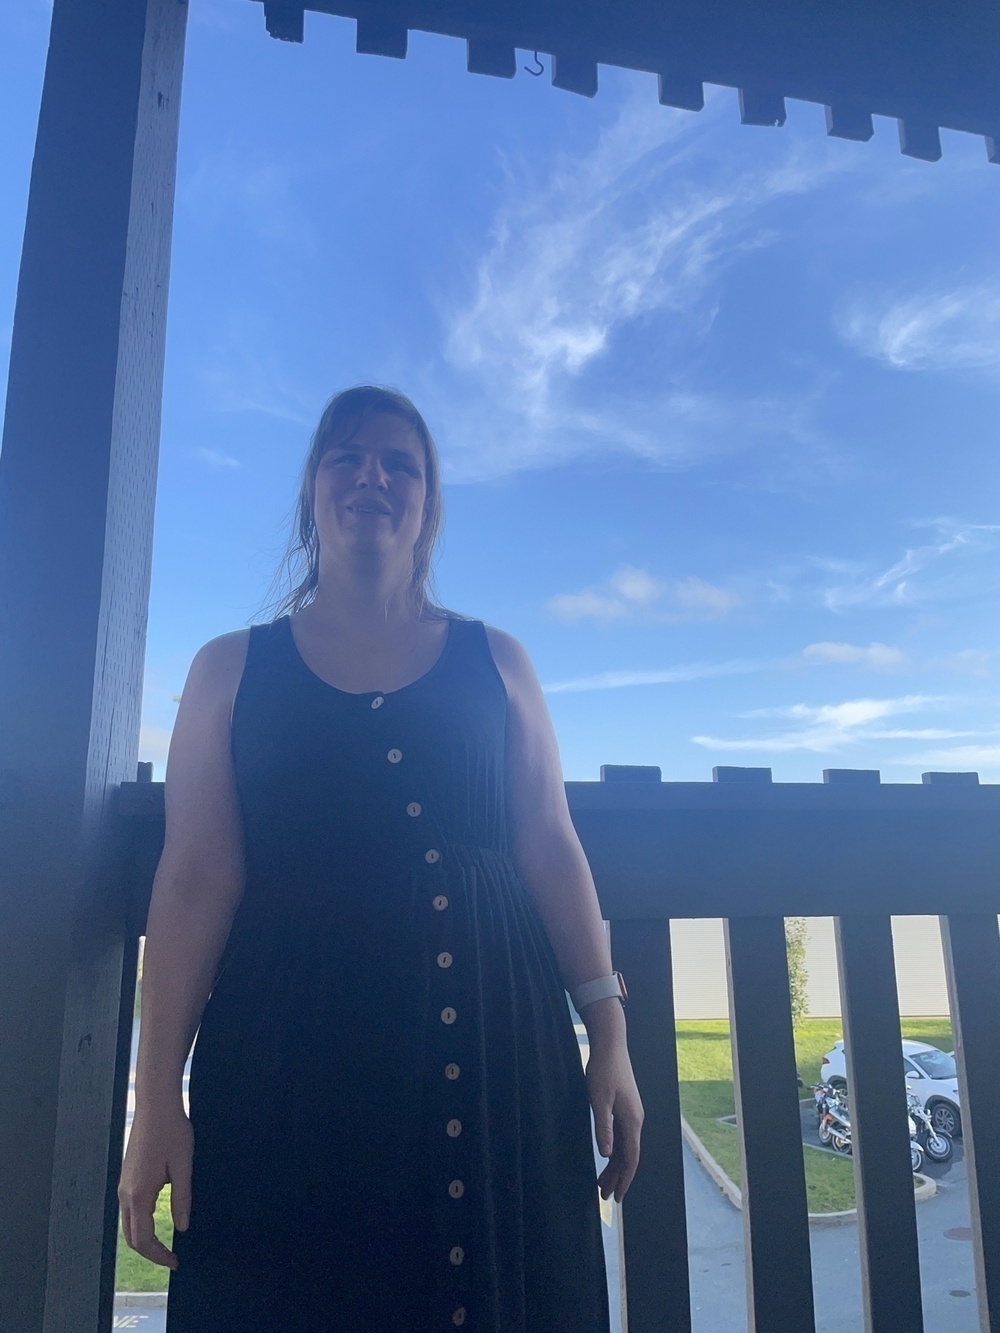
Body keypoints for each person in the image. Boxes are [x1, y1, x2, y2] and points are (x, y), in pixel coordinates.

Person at [118, 385, 643, 1332]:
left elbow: (551, 847)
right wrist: (158, 1096)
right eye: (347, 456)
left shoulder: (502, 661)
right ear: (313, 493)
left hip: (496, 1063)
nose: (373, 476)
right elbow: (195, 880)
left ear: (428, 504)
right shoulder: (227, 668)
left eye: (400, 462)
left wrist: (608, 1028)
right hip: (288, 1078)